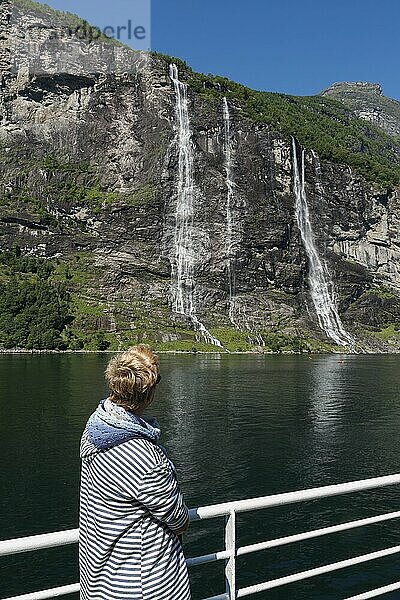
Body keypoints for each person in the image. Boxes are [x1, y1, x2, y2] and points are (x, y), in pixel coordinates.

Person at [79, 344, 191, 600]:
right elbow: (179, 521)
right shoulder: (146, 459)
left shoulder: (94, 428)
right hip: (145, 584)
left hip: (99, 580)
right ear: (149, 393)